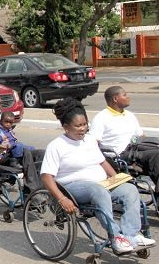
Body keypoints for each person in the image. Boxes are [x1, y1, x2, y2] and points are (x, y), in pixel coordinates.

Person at [41, 98, 155, 253]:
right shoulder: (56, 146)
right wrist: (62, 198)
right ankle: (116, 237)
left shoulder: (89, 140)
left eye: (84, 124)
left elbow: (102, 162)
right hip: (73, 188)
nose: (82, 128)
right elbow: (46, 176)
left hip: (100, 184)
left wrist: (117, 179)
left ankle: (130, 234)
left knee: (129, 190)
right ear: (66, 127)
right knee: (97, 190)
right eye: (78, 126)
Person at [89, 86, 159, 197]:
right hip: (120, 156)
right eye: (125, 95)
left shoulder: (130, 115)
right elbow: (93, 143)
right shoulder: (101, 118)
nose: (128, 97)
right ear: (115, 98)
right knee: (157, 156)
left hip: (137, 148)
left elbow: (141, 135)